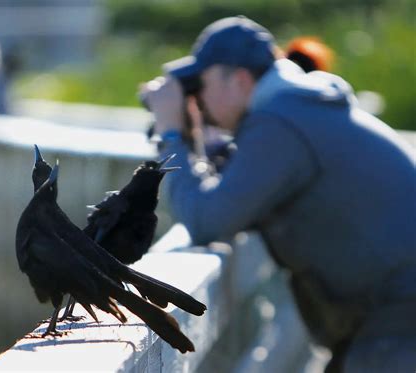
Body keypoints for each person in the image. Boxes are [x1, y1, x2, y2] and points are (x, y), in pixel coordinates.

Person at [139, 16, 416, 372]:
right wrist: (190, 134)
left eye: (201, 84)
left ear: (239, 79)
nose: (198, 99)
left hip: (398, 322)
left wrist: (171, 133)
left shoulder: (280, 124)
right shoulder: (299, 109)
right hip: (389, 317)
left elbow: (206, 219)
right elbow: (228, 198)